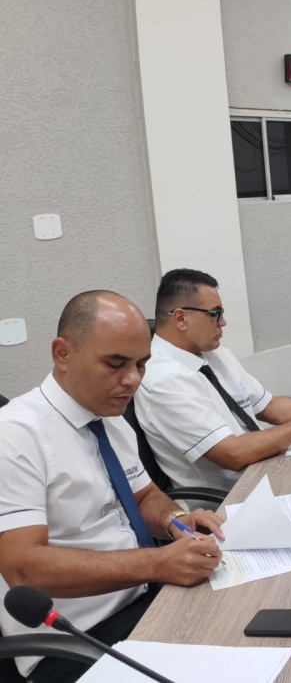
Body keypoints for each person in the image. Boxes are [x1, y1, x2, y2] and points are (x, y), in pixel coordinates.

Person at [0, 291, 225, 683]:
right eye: (116, 364)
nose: (133, 379)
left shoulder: (110, 418)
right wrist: (157, 563)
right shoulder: (15, 435)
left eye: (141, 364)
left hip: (144, 599)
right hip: (77, 639)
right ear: (62, 354)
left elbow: (144, 496)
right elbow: (23, 569)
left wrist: (177, 521)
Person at [134, 269, 291, 492]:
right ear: (181, 318)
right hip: (235, 496)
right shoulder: (164, 381)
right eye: (215, 314)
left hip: (269, 470)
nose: (223, 322)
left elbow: (269, 406)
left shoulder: (215, 354)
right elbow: (233, 454)